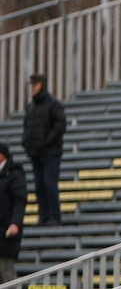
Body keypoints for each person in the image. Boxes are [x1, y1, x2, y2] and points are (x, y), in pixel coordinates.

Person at [21, 74, 66, 226]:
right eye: (32, 84)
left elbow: (60, 126)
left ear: (43, 85)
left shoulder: (53, 104)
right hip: (36, 153)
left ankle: (54, 216)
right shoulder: (30, 107)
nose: (33, 87)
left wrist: (46, 142)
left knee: (49, 183)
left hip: (51, 153)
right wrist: (26, 142)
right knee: (39, 185)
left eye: (36, 84)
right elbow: (27, 127)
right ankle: (43, 216)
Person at [0, 141, 27, 283]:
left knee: (6, 275)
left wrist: (15, 223)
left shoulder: (15, 174)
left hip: (5, 234)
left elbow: (19, 201)